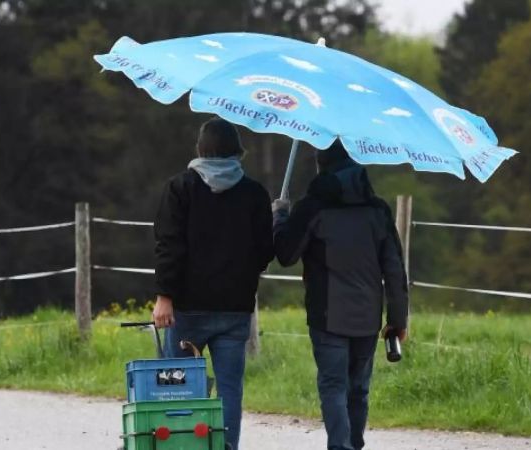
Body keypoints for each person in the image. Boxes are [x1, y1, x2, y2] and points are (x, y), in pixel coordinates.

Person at [272, 141, 409, 450]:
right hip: (367, 316)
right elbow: (395, 271)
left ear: (321, 165)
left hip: (326, 315)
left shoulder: (313, 207)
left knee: (333, 386)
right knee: (358, 389)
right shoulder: (378, 210)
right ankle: (353, 444)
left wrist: (280, 218)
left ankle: (340, 446)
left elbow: (286, 254)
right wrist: (397, 320)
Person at [152, 117, 274, 450]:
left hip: (186, 309)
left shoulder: (180, 188)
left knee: (177, 386)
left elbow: (169, 245)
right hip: (234, 310)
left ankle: (180, 445)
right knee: (230, 389)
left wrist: (164, 296)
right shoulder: (254, 194)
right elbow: (264, 253)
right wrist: (275, 218)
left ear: (200, 149)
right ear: (238, 150)